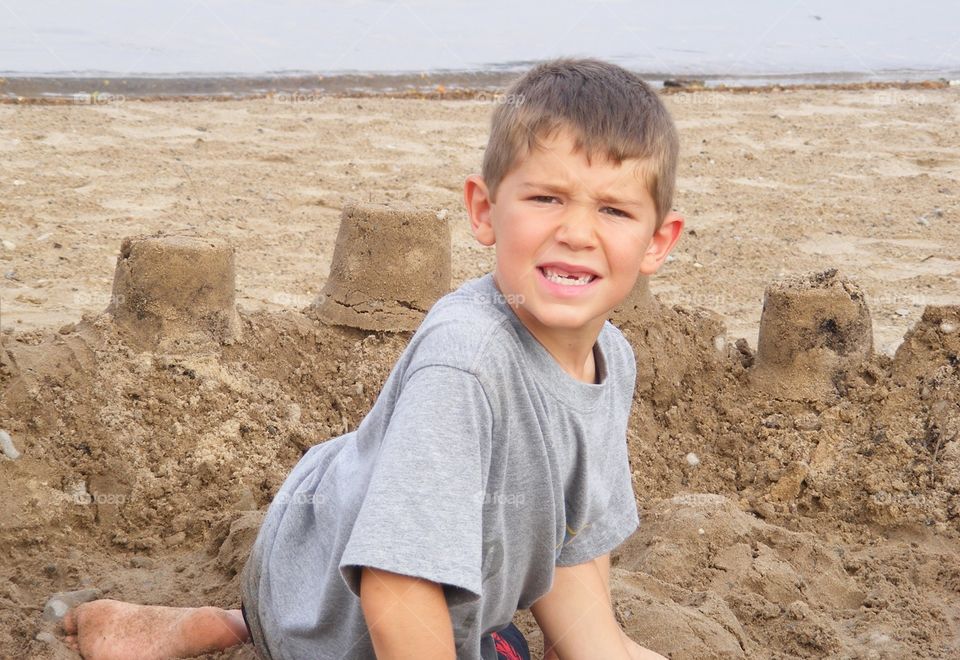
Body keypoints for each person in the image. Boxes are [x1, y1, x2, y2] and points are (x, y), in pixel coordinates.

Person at [63, 57, 683, 660]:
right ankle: (218, 626)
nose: (576, 231)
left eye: (613, 209)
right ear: (484, 210)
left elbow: (571, 546)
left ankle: (223, 626)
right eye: (546, 198)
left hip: (433, 589)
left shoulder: (614, 359)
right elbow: (395, 582)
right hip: (332, 613)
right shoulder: (466, 366)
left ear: (657, 241)